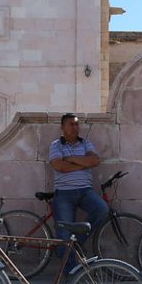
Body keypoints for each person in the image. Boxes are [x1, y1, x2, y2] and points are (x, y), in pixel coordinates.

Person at [48, 113, 109, 272]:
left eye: (76, 124)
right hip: (64, 194)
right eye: (71, 124)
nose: (75, 127)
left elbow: (95, 161)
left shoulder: (86, 143)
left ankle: (75, 243)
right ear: (62, 127)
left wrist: (70, 158)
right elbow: (59, 166)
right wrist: (83, 164)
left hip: (85, 191)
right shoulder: (56, 145)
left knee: (102, 209)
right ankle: (70, 273)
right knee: (63, 234)